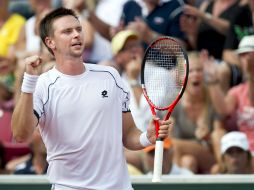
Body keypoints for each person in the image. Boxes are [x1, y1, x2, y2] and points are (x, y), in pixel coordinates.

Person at [11, 8, 172, 190]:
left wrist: (146, 137)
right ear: (51, 42)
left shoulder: (110, 76)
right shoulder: (42, 85)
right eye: (67, 31)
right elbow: (20, 134)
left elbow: (128, 135)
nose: (76, 35)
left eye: (78, 29)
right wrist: (29, 81)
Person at [205, 35, 254, 154]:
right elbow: (224, 111)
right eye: (242, 56)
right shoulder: (237, 91)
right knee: (217, 134)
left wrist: (251, 74)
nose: (245, 60)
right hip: (243, 152)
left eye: (249, 54)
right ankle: (224, 171)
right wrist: (212, 82)